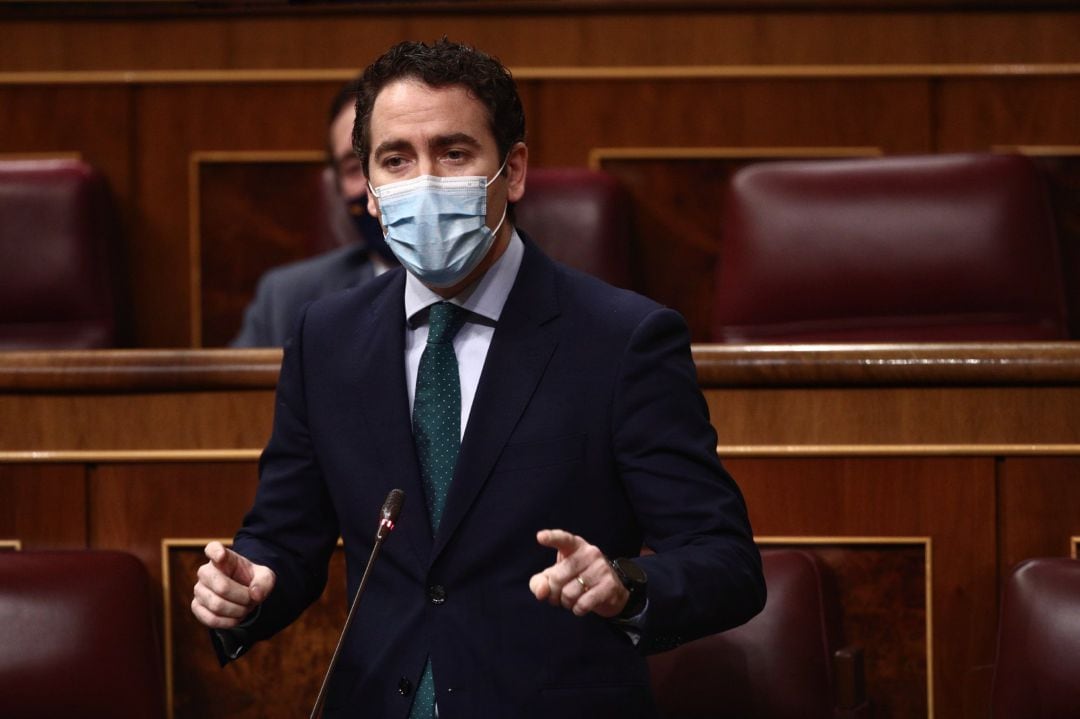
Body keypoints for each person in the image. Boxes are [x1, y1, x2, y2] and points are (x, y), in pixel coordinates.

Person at [193, 39, 765, 718]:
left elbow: (726, 561)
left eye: (454, 153)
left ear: (513, 170)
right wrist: (251, 587)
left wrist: (626, 584)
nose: (424, 180)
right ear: (370, 192)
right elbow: (285, 536)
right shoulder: (326, 337)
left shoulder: (622, 339)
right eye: (396, 159)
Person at [230, 77, 397, 347]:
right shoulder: (286, 300)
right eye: (355, 168)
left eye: (395, 161)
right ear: (337, 186)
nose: (373, 188)